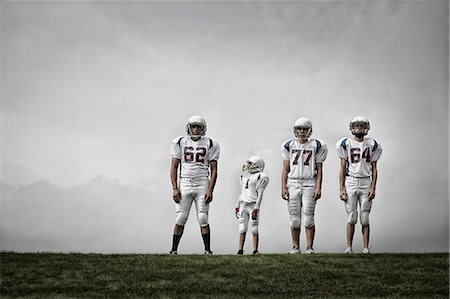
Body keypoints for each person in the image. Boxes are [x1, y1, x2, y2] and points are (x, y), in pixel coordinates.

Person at [169, 115, 220, 254]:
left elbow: (214, 169)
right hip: (185, 181)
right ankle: (173, 250)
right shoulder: (179, 142)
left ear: (203, 129)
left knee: (203, 217)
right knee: (181, 217)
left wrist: (211, 189)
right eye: (193, 126)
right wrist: (174, 188)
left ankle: (207, 250)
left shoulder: (210, 143)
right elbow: (174, 166)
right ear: (188, 127)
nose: (196, 129)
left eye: (199, 127)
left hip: (202, 181)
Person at [336, 116, 382, 254]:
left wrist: (373, 186)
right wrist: (341, 188)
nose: (359, 128)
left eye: (362, 126)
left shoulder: (372, 144)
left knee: (365, 217)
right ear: (352, 128)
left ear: (366, 128)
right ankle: (349, 247)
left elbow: (374, 168)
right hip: (350, 181)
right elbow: (342, 168)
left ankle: (366, 248)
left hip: (366, 181)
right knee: (352, 216)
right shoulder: (345, 143)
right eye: (357, 126)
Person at [281, 117, 328, 254]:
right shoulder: (288, 145)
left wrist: (319, 187)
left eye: (305, 129)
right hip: (293, 182)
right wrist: (283, 187)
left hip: (309, 183)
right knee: (295, 220)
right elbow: (285, 169)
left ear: (310, 130)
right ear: (295, 130)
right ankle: (295, 246)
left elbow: (319, 169)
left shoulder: (317, 145)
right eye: (299, 129)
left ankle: (309, 247)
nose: (302, 131)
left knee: (308, 219)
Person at [235, 156, 269, 255]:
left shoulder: (261, 176)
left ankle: (255, 250)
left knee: (254, 228)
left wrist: (256, 207)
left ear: (256, 165)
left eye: (250, 164)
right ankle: (240, 250)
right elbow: (242, 192)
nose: (248, 166)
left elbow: (260, 194)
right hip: (243, 204)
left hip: (252, 204)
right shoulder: (244, 176)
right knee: (242, 228)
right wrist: (237, 205)